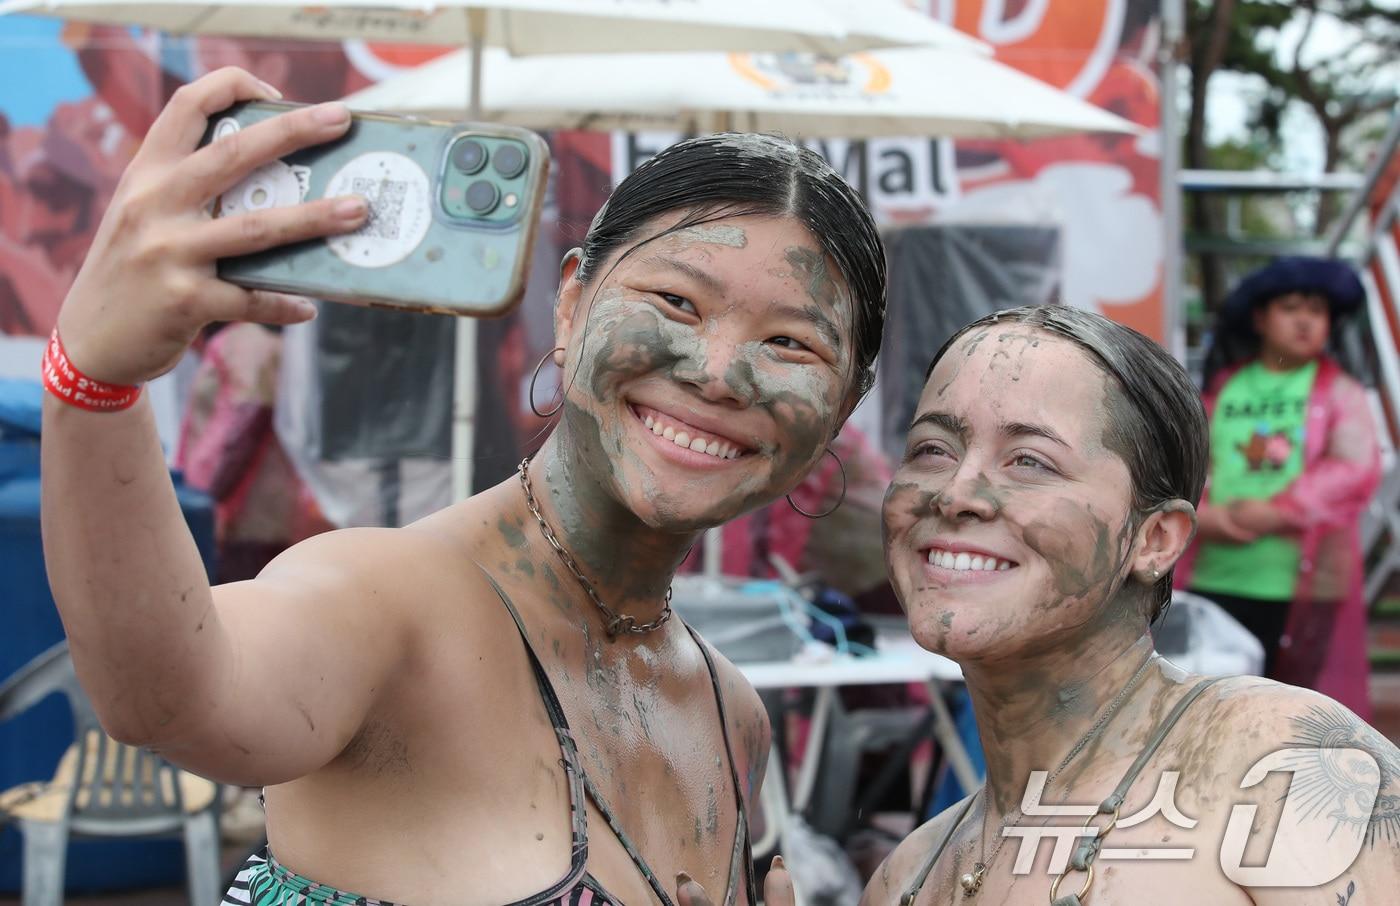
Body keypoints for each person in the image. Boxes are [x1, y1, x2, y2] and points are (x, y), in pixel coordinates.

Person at [40, 67, 888, 906]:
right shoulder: (389, 600)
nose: (718, 373)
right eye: (674, 300)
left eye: (791, 345)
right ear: (570, 301)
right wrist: (94, 382)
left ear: (843, 404)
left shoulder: (731, 716)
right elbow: (172, 697)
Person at [865, 305, 1398, 905]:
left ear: (1155, 539)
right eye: (931, 449)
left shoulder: (1287, 767)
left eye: (1030, 461)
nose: (956, 493)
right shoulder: (906, 878)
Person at [1179, 257, 1382, 717]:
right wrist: (1204, 516)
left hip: (1305, 588)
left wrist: (1279, 510)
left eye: (1318, 309)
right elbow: (1188, 462)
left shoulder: (1341, 392)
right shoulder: (1222, 389)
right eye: (1291, 307)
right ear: (1260, 318)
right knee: (1216, 714)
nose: (1307, 319)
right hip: (1217, 577)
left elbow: (1355, 468)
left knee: (1297, 717)